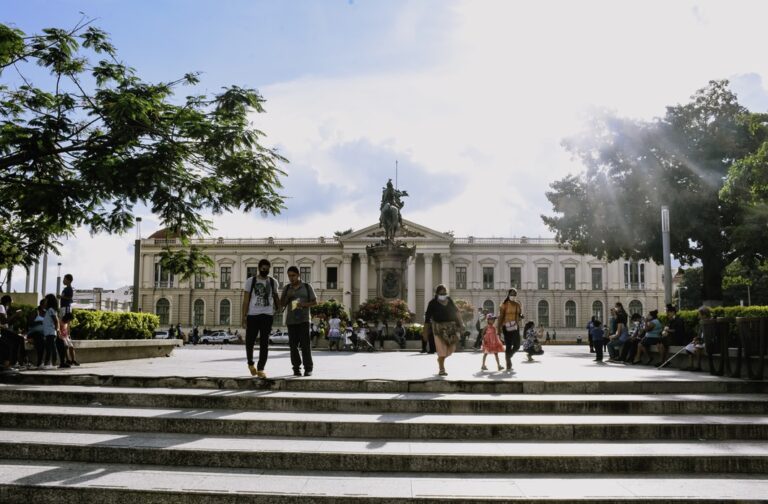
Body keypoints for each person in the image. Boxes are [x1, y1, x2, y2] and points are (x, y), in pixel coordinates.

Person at [242, 259, 281, 379]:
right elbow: (246, 300)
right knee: (250, 342)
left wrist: (279, 307)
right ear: (259, 268)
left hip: (267, 315)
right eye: (263, 268)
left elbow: (275, 297)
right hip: (253, 315)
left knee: (265, 343)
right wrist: (244, 317)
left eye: (267, 269)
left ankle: (261, 369)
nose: (265, 271)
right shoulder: (251, 281)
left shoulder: (273, 282)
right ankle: (250, 363)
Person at [280, 266, 317, 376]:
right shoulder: (287, 288)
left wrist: (304, 304)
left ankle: (308, 368)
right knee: (293, 346)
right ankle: (296, 368)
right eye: (289, 276)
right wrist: (288, 297)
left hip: (304, 320)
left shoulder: (306, 287)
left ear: (298, 275)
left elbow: (314, 302)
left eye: (293, 275)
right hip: (291, 320)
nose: (291, 278)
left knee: (305, 345)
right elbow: (282, 304)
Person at [424, 284, 463, 376]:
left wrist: (461, 324)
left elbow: (457, 312)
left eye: (445, 292)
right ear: (437, 293)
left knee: (451, 348)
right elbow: (427, 318)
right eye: (441, 293)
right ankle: (442, 368)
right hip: (438, 329)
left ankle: (440, 359)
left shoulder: (449, 300)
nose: (443, 294)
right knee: (441, 350)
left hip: (451, 328)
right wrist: (425, 332)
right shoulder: (432, 303)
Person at [497, 289, 523, 370]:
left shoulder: (517, 304)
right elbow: (500, 317)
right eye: (512, 294)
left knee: (517, 346)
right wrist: (498, 328)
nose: (513, 296)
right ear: (508, 294)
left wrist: (521, 316)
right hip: (506, 326)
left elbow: (519, 314)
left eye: (515, 294)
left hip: (515, 326)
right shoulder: (504, 304)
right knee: (508, 345)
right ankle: (508, 362)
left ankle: (508, 356)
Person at [0, 295, 26, 371]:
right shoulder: (1, 306)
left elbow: (7, 322)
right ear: (8, 302)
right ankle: (19, 362)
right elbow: (4, 321)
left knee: (17, 340)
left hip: (5, 330)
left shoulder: (4, 308)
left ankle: (16, 362)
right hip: (3, 330)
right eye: (11, 302)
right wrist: (16, 314)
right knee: (18, 340)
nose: (11, 304)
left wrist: (16, 317)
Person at [683, 306, 710, 371]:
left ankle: (698, 366)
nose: (698, 316)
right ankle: (691, 365)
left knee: (697, 347)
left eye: (699, 314)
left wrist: (699, 341)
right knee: (688, 347)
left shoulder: (710, 322)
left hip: (707, 342)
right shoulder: (701, 323)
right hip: (701, 342)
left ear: (704, 315)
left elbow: (708, 336)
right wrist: (696, 339)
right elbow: (699, 335)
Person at [41, 294, 60, 369]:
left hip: (51, 332)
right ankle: (47, 364)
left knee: (52, 347)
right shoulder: (49, 310)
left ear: (49, 301)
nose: (45, 301)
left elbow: (56, 321)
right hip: (48, 332)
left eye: (46, 300)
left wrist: (57, 330)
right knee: (49, 348)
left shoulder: (51, 310)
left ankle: (53, 364)